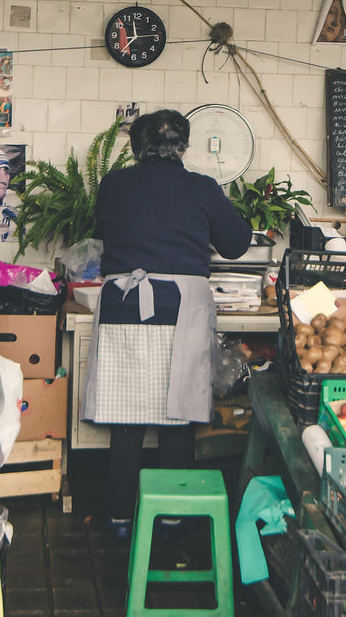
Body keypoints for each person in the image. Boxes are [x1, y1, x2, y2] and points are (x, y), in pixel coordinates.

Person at [79, 109, 253, 538]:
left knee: (127, 423)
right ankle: (171, 520)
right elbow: (235, 244)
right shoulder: (202, 188)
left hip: (124, 307)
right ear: (184, 146)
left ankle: (119, 521)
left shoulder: (114, 184)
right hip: (180, 311)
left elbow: (106, 228)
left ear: (137, 148)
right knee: (178, 422)